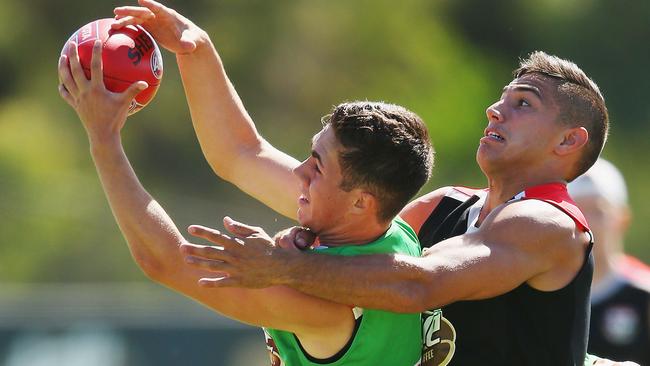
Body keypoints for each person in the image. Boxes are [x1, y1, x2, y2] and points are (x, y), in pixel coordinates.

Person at [97, 1, 630, 365]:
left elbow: (418, 284)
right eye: (504, 96)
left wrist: (280, 266)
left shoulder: (549, 224)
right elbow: (245, 157)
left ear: (568, 142)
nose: (496, 109)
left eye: (522, 104)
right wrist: (197, 52)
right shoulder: (445, 209)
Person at [57, 27, 433, 365]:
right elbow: (241, 153)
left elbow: (165, 261)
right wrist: (193, 48)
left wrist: (104, 141)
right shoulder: (386, 228)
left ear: (360, 202)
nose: (300, 171)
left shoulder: (329, 307)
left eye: (317, 166)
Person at [568, 158, 650, 365]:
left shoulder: (643, 294)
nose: (587, 223)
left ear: (622, 218)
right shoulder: (544, 292)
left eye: (597, 210)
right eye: (577, 211)